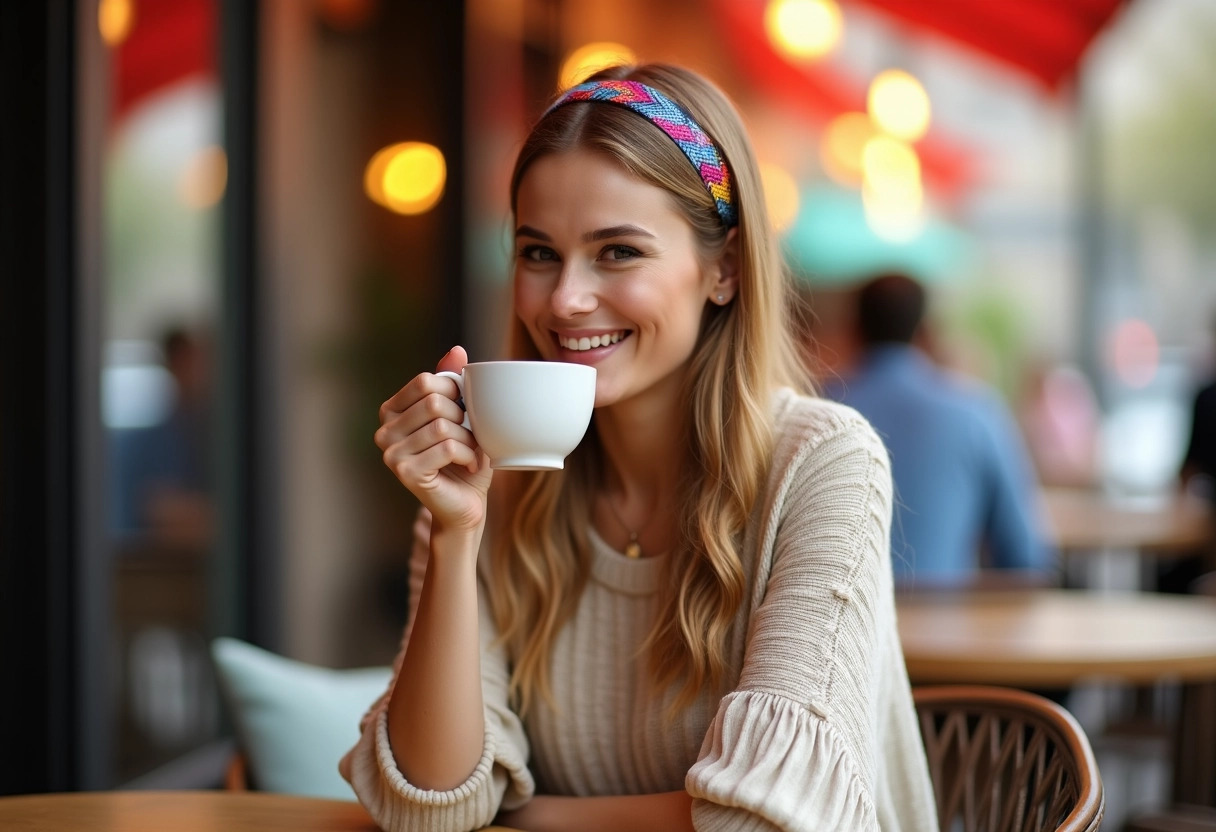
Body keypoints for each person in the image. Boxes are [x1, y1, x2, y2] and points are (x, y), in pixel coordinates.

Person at [341, 65, 937, 831]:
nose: (564, 300)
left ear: (722, 269)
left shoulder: (823, 464)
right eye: (537, 253)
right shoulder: (489, 495)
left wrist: (528, 818)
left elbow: (768, 822)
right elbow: (427, 807)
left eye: (618, 252)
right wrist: (456, 531)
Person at [823, 274, 1054, 588]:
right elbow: (1025, 556)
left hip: (839, 628)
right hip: (946, 627)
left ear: (854, 331)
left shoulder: (817, 410)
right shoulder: (977, 414)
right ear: (927, 334)